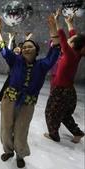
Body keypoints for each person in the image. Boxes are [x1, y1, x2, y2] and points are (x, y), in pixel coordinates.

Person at [0, 13, 60, 168]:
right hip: (9, 99)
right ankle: (8, 151)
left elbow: (56, 50)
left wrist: (53, 29)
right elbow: (3, 49)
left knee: (21, 131)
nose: (26, 48)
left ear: (36, 50)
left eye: (30, 46)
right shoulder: (15, 60)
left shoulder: (42, 65)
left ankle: (20, 154)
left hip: (27, 104)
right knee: (5, 128)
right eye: (24, 46)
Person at [44, 10, 85, 144]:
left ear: (73, 44)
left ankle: (54, 135)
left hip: (61, 91)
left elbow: (61, 37)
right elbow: (72, 36)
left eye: (71, 40)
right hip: (68, 91)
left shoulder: (70, 54)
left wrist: (56, 22)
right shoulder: (76, 54)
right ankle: (77, 133)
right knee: (65, 115)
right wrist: (70, 24)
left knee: (50, 113)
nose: (69, 38)